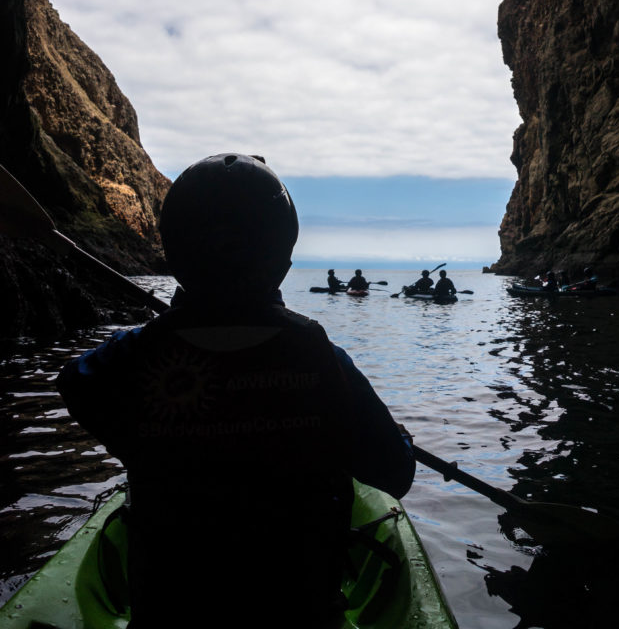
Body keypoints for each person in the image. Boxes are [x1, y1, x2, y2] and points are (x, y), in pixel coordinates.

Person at [57, 154, 414, 628]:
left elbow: (75, 384)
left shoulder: (131, 356)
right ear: (283, 257)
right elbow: (395, 473)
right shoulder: (320, 357)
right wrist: (399, 437)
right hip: (298, 613)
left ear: (174, 252)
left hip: (171, 614)